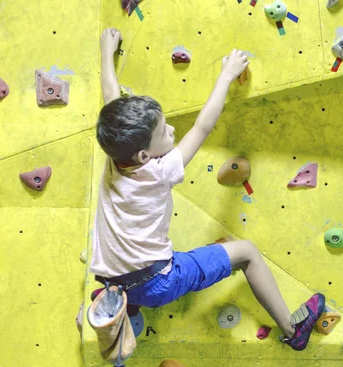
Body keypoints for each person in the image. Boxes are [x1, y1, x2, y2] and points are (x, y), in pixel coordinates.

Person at [89, 28, 325, 350]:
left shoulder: (115, 157)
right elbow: (203, 126)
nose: (172, 128)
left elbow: (111, 100)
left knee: (132, 272)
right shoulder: (160, 171)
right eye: (164, 131)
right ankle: (293, 330)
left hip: (112, 279)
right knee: (248, 253)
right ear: (145, 155)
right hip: (158, 282)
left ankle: (127, 303)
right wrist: (226, 76)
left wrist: (106, 52)